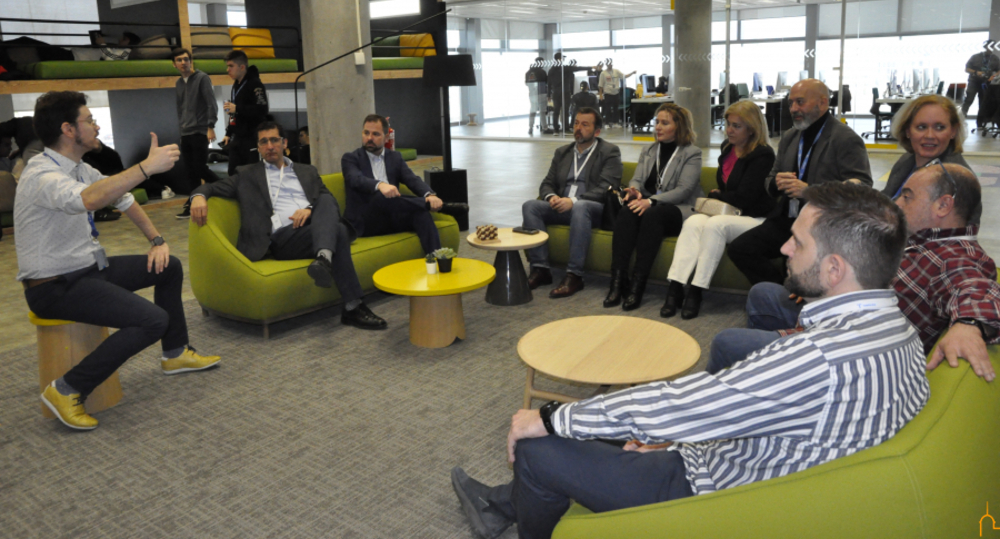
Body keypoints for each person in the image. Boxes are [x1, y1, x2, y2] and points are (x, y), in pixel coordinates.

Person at [451, 182, 928, 539]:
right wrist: (664, 433)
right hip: (763, 459)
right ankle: (502, 504)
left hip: (713, 491)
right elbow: (725, 409)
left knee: (539, 447)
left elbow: (691, 403)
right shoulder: (901, 332)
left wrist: (554, 417)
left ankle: (509, 511)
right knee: (619, 422)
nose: (783, 247)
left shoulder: (817, 358)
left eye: (798, 242)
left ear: (834, 269)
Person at [15, 91, 220, 431]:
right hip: (54, 286)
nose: (95, 126)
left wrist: (157, 240)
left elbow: (122, 199)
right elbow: (89, 200)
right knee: (151, 320)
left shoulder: (80, 167)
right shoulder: (41, 174)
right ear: (68, 129)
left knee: (169, 266)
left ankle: (175, 352)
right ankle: (67, 389)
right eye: (89, 120)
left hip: (89, 271)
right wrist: (145, 168)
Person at [709, 162, 998, 381]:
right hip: (840, 320)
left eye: (907, 197)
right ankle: (766, 384)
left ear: (944, 205)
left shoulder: (956, 257)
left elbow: (976, 287)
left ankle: (744, 394)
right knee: (763, 293)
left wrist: (970, 325)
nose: (897, 203)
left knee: (727, 343)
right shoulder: (921, 240)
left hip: (850, 352)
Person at [190, 121, 386, 330]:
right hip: (282, 238)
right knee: (337, 230)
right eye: (264, 142)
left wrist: (309, 209)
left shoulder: (307, 171)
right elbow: (211, 187)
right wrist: (199, 196)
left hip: (314, 228)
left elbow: (330, 205)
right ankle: (352, 305)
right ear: (258, 147)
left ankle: (324, 259)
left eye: (274, 140)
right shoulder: (246, 174)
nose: (270, 146)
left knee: (327, 202)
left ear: (284, 143)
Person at [726, 79, 872, 287]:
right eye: (791, 103)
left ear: (822, 103)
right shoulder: (790, 136)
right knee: (740, 249)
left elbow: (863, 188)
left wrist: (811, 191)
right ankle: (782, 296)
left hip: (820, 226)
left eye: (800, 102)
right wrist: (777, 183)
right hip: (785, 220)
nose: (794, 109)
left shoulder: (844, 139)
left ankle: (790, 297)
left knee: (796, 268)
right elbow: (770, 180)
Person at [663, 100, 776, 319]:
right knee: (693, 221)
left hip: (755, 217)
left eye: (737, 126)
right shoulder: (727, 148)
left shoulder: (763, 154)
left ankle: (696, 291)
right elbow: (730, 191)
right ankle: (675, 287)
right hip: (729, 213)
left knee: (714, 225)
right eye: (728, 124)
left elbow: (747, 197)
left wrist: (718, 195)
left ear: (752, 129)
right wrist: (722, 195)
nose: (730, 130)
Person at [604, 103, 702, 311]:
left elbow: (684, 190)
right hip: (649, 205)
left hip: (678, 209)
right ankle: (618, 281)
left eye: (664, 123)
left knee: (653, 214)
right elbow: (637, 179)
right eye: (657, 122)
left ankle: (638, 286)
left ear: (680, 127)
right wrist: (635, 190)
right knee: (627, 210)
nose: (657, 127)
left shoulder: (691, 153)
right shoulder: (649, 150)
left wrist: (651, 201)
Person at [522, 107, 622, 299]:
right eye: (576, 123)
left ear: (597, 131)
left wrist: (574, 201)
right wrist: (552, 197)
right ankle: (541, 269)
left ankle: (574, 275)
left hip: (593, 208)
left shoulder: (609, 152)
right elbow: (547, 183)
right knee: (530, 206)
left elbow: (607, 187)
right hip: (564, 207)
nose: (578, 128)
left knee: (581, 207)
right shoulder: (563, 152)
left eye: (585, 125)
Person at [342, 114, 457, 255]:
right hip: (366, 223)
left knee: (421, 214)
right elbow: (355, 179)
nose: (369, 138)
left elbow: (411, 179)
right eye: (366, 133)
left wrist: (430, 194)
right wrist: (380, 185)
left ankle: (437, 261)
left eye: (375, 134)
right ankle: (432, 204)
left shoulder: (395, 157)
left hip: (392, 217)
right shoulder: (351, 158)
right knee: (381, 196)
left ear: (385, 138)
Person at [883, 94, 980, 223]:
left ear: (953, 131)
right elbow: (886, 200)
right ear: (907, 131)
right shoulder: (907, 160)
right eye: (921, 127)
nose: (929, 135)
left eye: (939, 127)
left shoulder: (956, 178)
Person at [171, 47, 219, 218]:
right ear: (174, 64)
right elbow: (180, 109)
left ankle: (223, 187)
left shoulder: (202, 78)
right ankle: (192, 203)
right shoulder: (178, 83)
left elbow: (211, 104)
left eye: (186, 59)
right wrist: (181, 130)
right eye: (179, 60)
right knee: (190, 171)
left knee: (200, 168)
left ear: (191, 61)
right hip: (186, 133)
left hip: (200, 131)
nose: (183, 62)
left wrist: (210, 126)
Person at [222, 49, 269, 176]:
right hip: (237, 137)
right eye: (227, 66)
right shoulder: (235, 85)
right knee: (233, 173)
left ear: (242, 67)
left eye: (231, 66)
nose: (228, 70)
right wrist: (228, 133)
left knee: (251, 174)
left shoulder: (255, 84)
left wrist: (237, 108)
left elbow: (262, 110)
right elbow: (233, 113)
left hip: (252, 137)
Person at [546, 53, 592, 133]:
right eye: (562, 58)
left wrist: (549, 94)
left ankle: (556, 128)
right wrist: (590, 67)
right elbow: (577, 68)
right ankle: (566, 127)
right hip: (565, 92)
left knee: (556, 111)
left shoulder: (551, 70)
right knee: (565, 111)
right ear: (559, 59)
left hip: (556, 93)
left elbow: (549, 83)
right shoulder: (564, 68)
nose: (563, 59)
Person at [963, 40, 1000, 126]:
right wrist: (976, 72)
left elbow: (999, 70)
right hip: (974, 82)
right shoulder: (976, 57)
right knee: (969, 99)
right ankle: (961, 119)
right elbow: (967, 69)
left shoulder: (995, 58)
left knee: (983, 102)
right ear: (985, 47)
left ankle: (980, 122)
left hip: (986, 83)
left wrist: (994, 76)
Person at [597, 59, 635, 128]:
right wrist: (600, 95)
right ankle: (607, 123)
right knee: (607, 109)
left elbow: (624, 76)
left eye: (611, 63)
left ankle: (615, 123)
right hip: (608, 93)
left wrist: (632, 73)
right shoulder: (603, 73)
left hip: (616, 93)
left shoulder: (616, 71)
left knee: (616, 109)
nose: (610, 65)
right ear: (607, 64)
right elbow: (601, 85)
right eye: (609, 64)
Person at [525, 58, 549, 135]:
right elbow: (546, 83)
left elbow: (526, 83)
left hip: (532, 94)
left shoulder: (528, 72)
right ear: (540, 62)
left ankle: (530, 128)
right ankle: (545, 128)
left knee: (532, 111)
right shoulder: (542, 72)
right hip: (541, 93)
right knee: (542, 111)